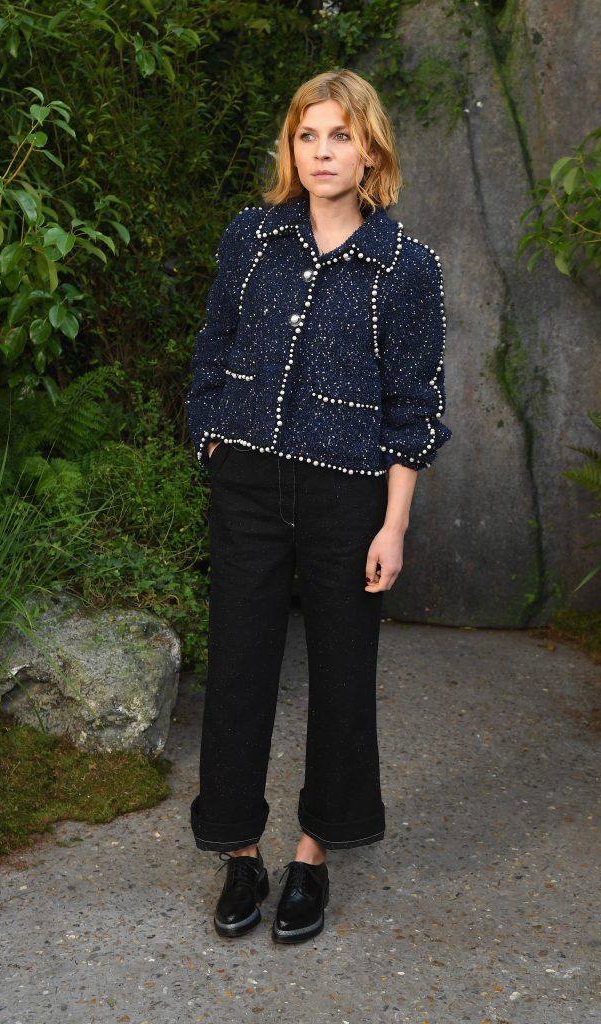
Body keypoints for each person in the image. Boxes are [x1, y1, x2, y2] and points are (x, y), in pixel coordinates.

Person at [184, 67, 452, 944]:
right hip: (249, 484)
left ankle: (312, 853)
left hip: (350, 496)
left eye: (341, 135)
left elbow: (415, 403)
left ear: (370, 148)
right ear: (289, 147)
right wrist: (211, 434)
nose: (323, 151)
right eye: (308, 135)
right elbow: (213, 343)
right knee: (240, 667)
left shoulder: (406, 267)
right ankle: (239, 853)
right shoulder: (250, 239)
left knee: (341, 674)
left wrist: (393, 523)